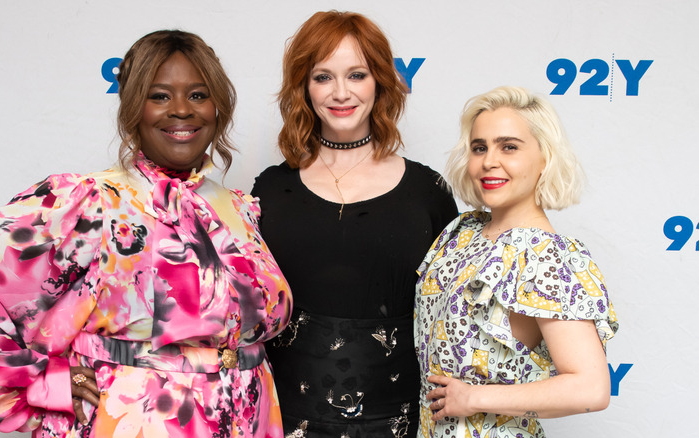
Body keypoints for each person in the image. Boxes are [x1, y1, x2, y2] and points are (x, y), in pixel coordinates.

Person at [0, 30, 291, 438]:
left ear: (218, 107)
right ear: (134, 108)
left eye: (197, 95)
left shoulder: (242, 209)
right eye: (159, 96)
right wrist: (45, 382)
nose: (181, 110)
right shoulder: (95, 203)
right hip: (138, 422)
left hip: (251, 418)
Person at [252, 10, 458, 438]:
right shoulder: (269, 189)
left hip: (397, 417)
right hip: (282, 412)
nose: (341, 92)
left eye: (357, 75)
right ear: (304, 87)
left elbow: (451, 315)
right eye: (323, 76)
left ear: (380, 80)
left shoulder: (428, 191)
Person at [414, 86, 619, 437]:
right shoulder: (463, 231)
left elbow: (591, 388)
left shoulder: (547, 256)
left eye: (509, 146)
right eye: (480, 147)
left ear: (545, 158)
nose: (489, 161)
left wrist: (476, 397)